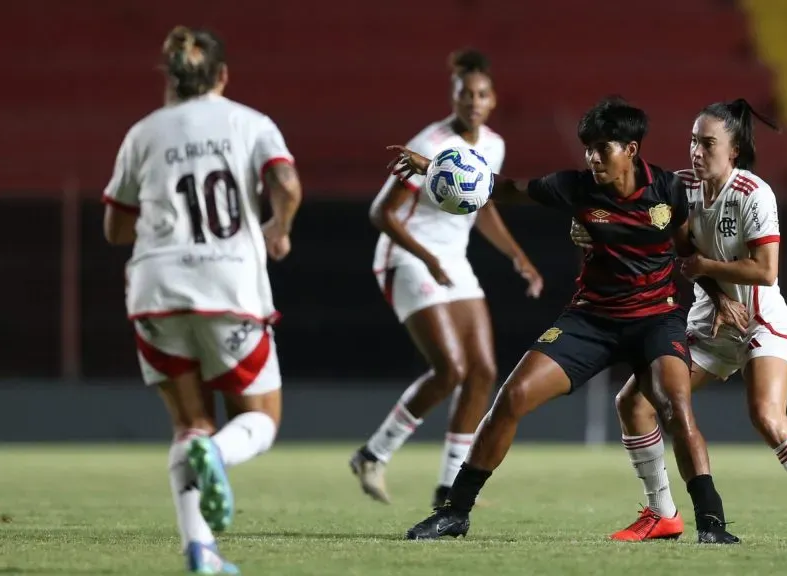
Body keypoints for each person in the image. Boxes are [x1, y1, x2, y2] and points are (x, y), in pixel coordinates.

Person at [392, 97, 739, 544]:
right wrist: (435, 166)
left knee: (676, 407)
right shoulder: (574, 187)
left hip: (656, 320)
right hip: (590, 320)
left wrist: (718, 295)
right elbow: (507, 188)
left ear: (631, 149)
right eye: (588, 148)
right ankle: (455, 512)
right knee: (512, 397)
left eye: (602, 148)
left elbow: (688, 253)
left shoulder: (669, 190)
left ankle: (711, 524)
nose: (592, 157)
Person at [571, 98, 787, 545]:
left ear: (734, 152)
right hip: (708, 324)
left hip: (758, 320)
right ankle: (661, 513)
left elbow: (765, 270)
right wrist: (592, 226)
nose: (696, 152)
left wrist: (706, 269)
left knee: (767, 416)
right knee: (634, 403)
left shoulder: (753, 194)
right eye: (693, 142)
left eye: (708, 143)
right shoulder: (679, 187)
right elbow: (636, 217)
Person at [102, 26, 302, 573]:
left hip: (154, 292)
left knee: (190, 423)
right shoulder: (249, 121)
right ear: (222, 76)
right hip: (227, 288)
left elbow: (115, 228)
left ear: (169, 79)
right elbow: (285, 182)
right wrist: (277, 228)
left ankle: (201, 550)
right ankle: (216, 456)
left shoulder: (142, 133)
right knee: (261, 419)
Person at [351, 49, 543, 507]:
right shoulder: (432, 143)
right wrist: (429, 259)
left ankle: (448, 489)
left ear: (492, 100)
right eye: (465, 94)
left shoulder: (492, 145)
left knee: (482, 372)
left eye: (481, 94)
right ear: (453, 97)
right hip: (407, 254)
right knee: (450, 369)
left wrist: (519, 256)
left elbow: (483, 207)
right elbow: (382, 212)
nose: (473, 101)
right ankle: (373, 455)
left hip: (452, 258)